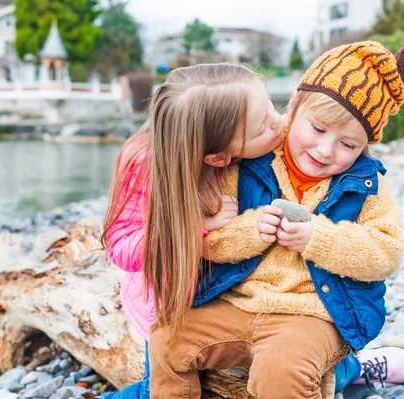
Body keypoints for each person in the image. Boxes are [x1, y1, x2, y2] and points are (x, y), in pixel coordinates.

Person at [148, 41, 404, 398]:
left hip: (313, 314)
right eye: (318, 129)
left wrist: (320, 239)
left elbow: (387, 253)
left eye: (348, 144)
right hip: (237, 304)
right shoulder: (252, 158)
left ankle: (344, 369)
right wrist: (251, 231)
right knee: (166, 339)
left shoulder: (367, 185)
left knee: (280, 372)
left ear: (365, 145)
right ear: (294, 106)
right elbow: (208, 240)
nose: (326, 150)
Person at [101, 63, 283, 399]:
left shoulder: (251, 140)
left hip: (227, 294)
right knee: (158, 388)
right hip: (169, 302)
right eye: (261, 128)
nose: (278, 122)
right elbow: (120, 245)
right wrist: (193, 226)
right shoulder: (143, 163)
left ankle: (356, 367)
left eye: (272, 105)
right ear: (217, 158)